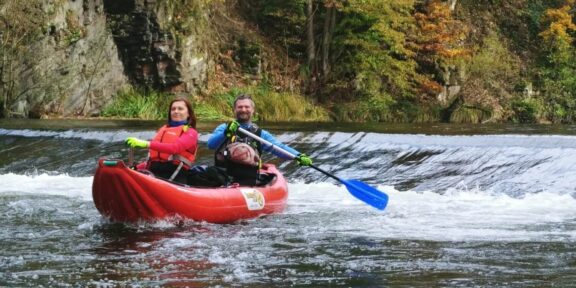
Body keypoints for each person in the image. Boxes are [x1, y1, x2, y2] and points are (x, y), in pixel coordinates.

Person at [206, 93, 313, 186]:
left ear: (253, 110)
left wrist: (298, 156)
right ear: (234, 110)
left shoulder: (260, 134)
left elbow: (278, 148)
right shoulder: (224, 128)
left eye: (247, 107)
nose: (243, 110)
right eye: (240, 107)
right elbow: (210, 144)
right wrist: (226, 133)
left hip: (248, 178)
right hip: (223, 176)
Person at [125, 97, 198, 184]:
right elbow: (153, 159)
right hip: (154, 171)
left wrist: (146, 144)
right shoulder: (164, 129)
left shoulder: (191, 132)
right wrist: (135, 168)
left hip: (176, 173)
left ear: (188, 113)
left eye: (180, 109)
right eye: (173, 109)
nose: (176, 111)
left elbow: (175, 148)